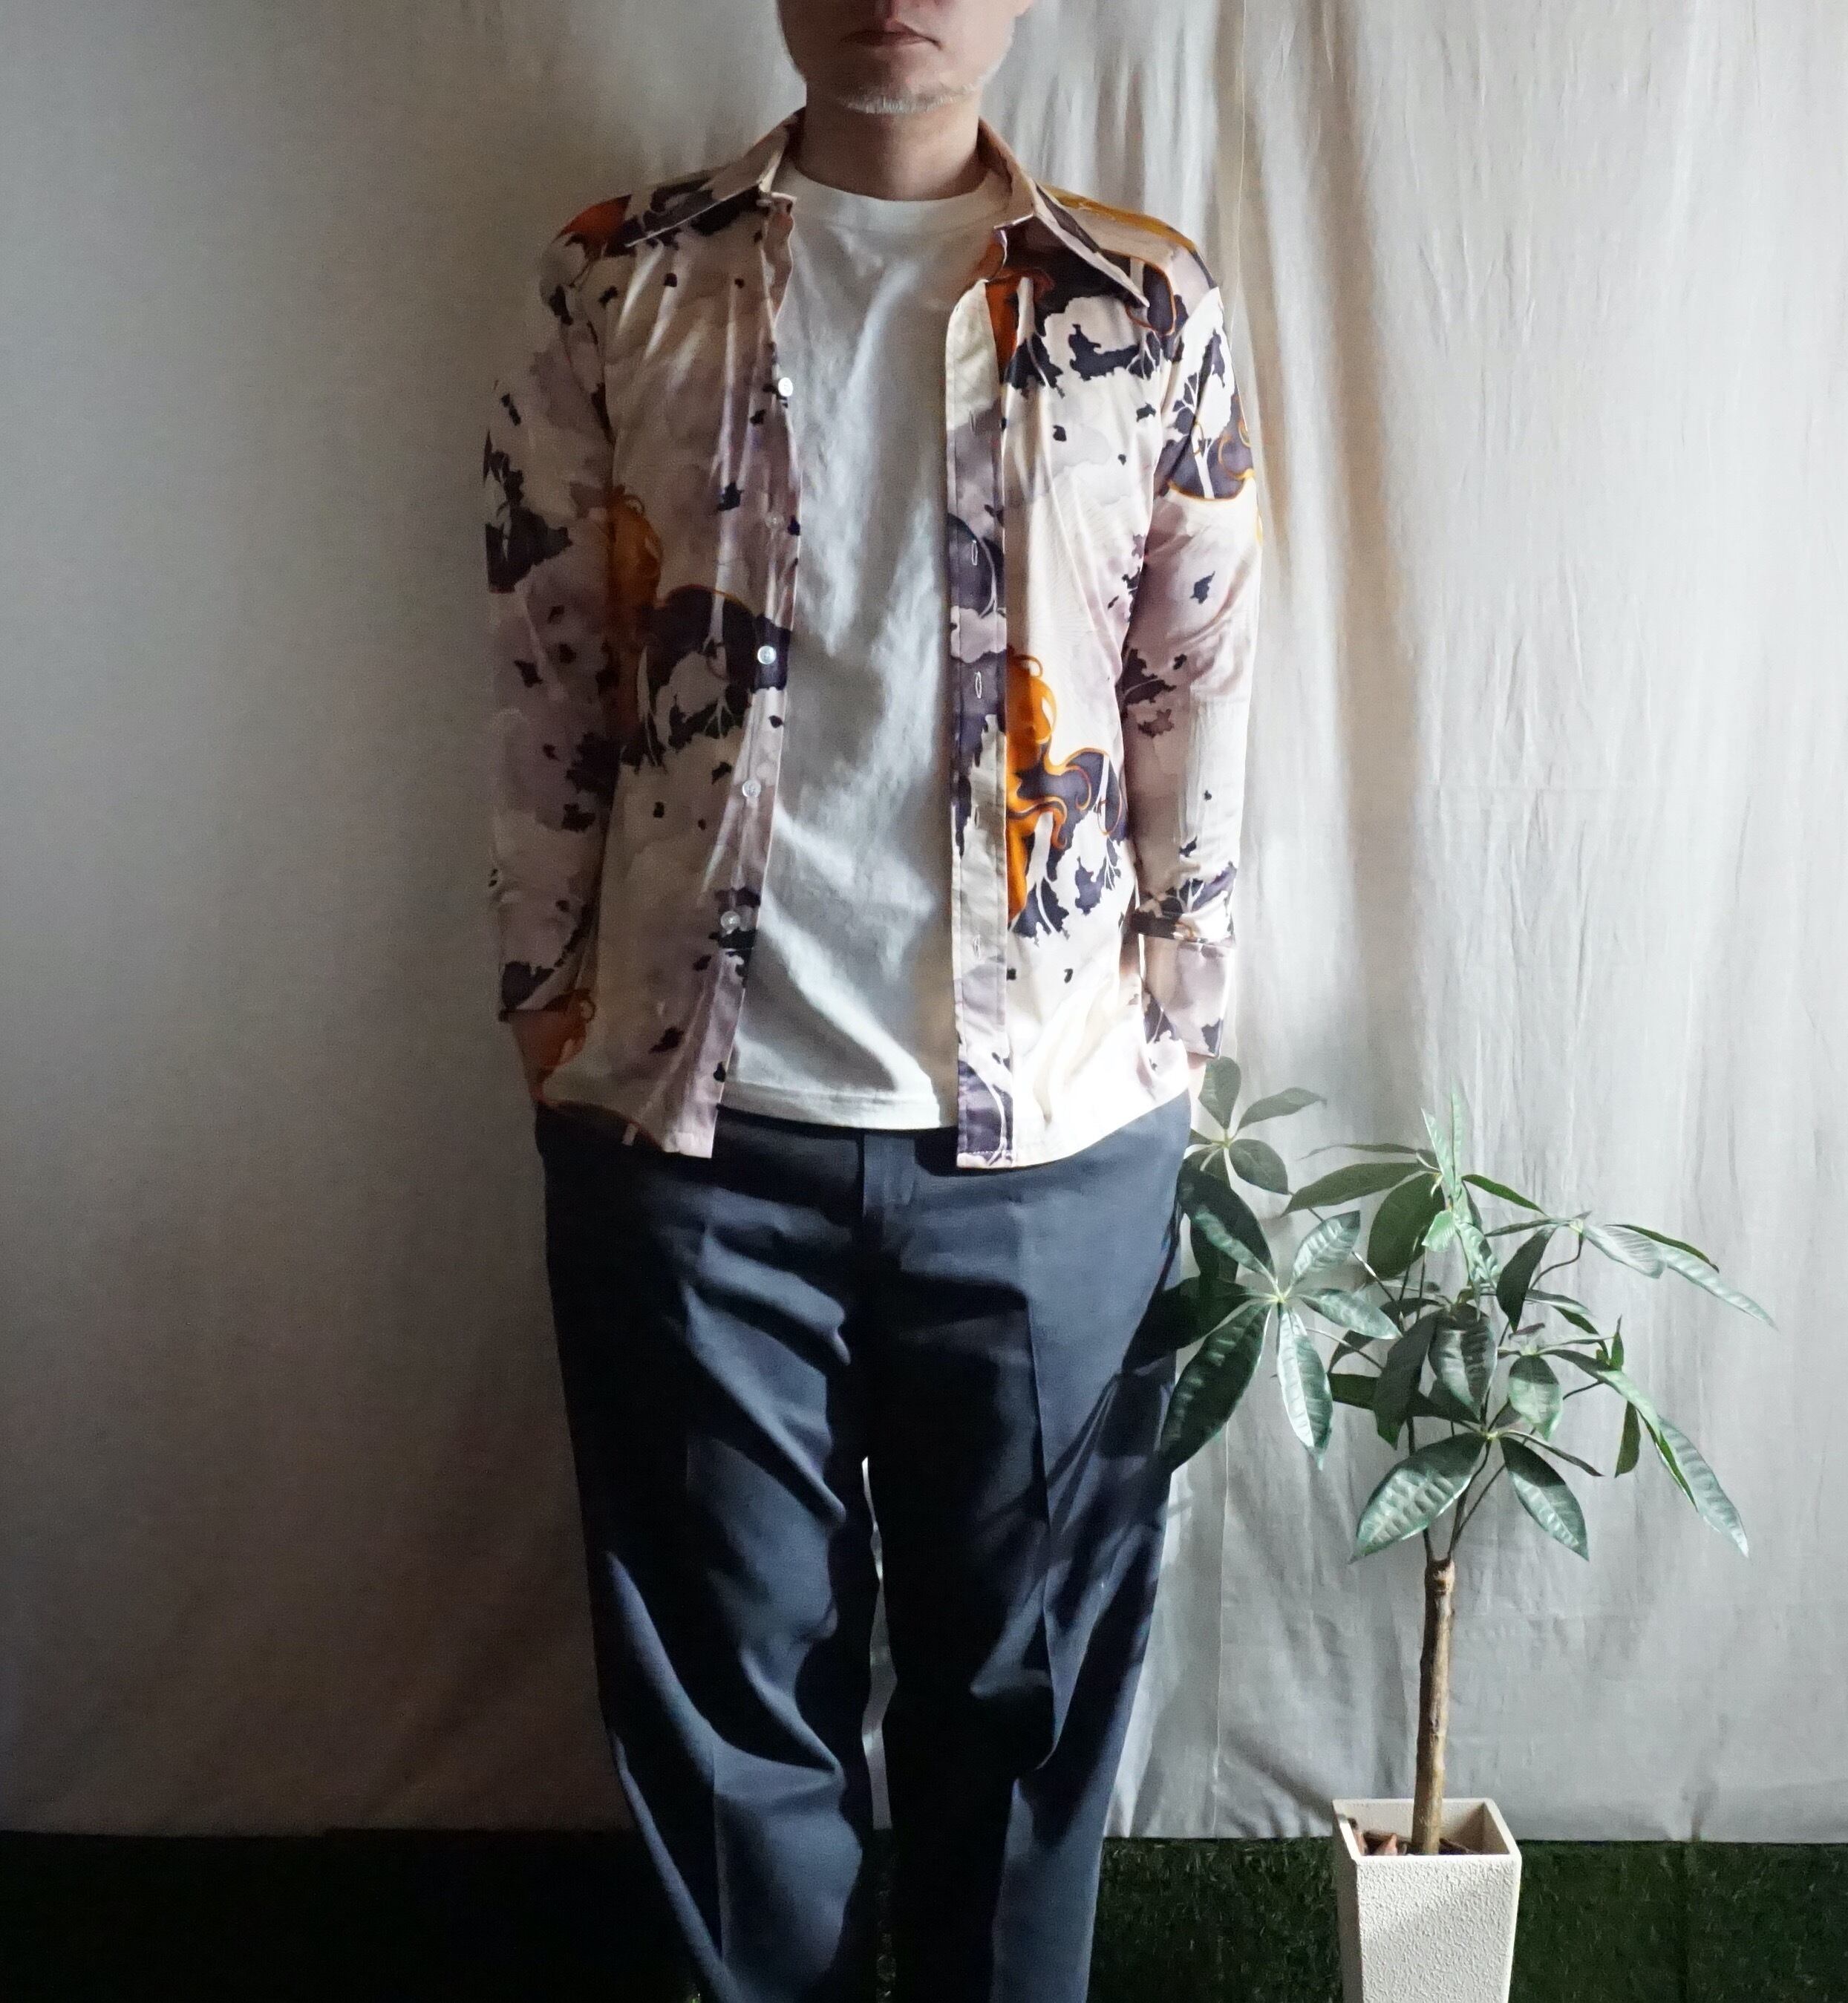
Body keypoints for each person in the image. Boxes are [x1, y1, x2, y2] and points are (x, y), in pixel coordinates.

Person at [479, 1, 1261, 1996]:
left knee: (1029, 1698)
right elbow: (547, 656)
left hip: (1057, 1137)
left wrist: (1175, 1008)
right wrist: (549, 1001)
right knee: (727, 1713)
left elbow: (1191, 678)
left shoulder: (1141, 301)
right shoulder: (620, 278)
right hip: (689, 1132)